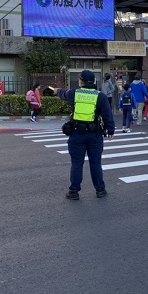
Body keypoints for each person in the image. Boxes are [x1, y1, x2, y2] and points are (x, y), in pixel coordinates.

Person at [50, 70, 115, 200]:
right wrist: (111, 130)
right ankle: (100, 190)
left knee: (77, 163)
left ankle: (74, 191)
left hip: (77, 134)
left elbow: (63, 93)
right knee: (95, 163)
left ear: (81, 81)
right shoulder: (100, 96)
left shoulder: (74, 93)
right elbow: (107, 115)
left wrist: (56, 90)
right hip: (95, 135)